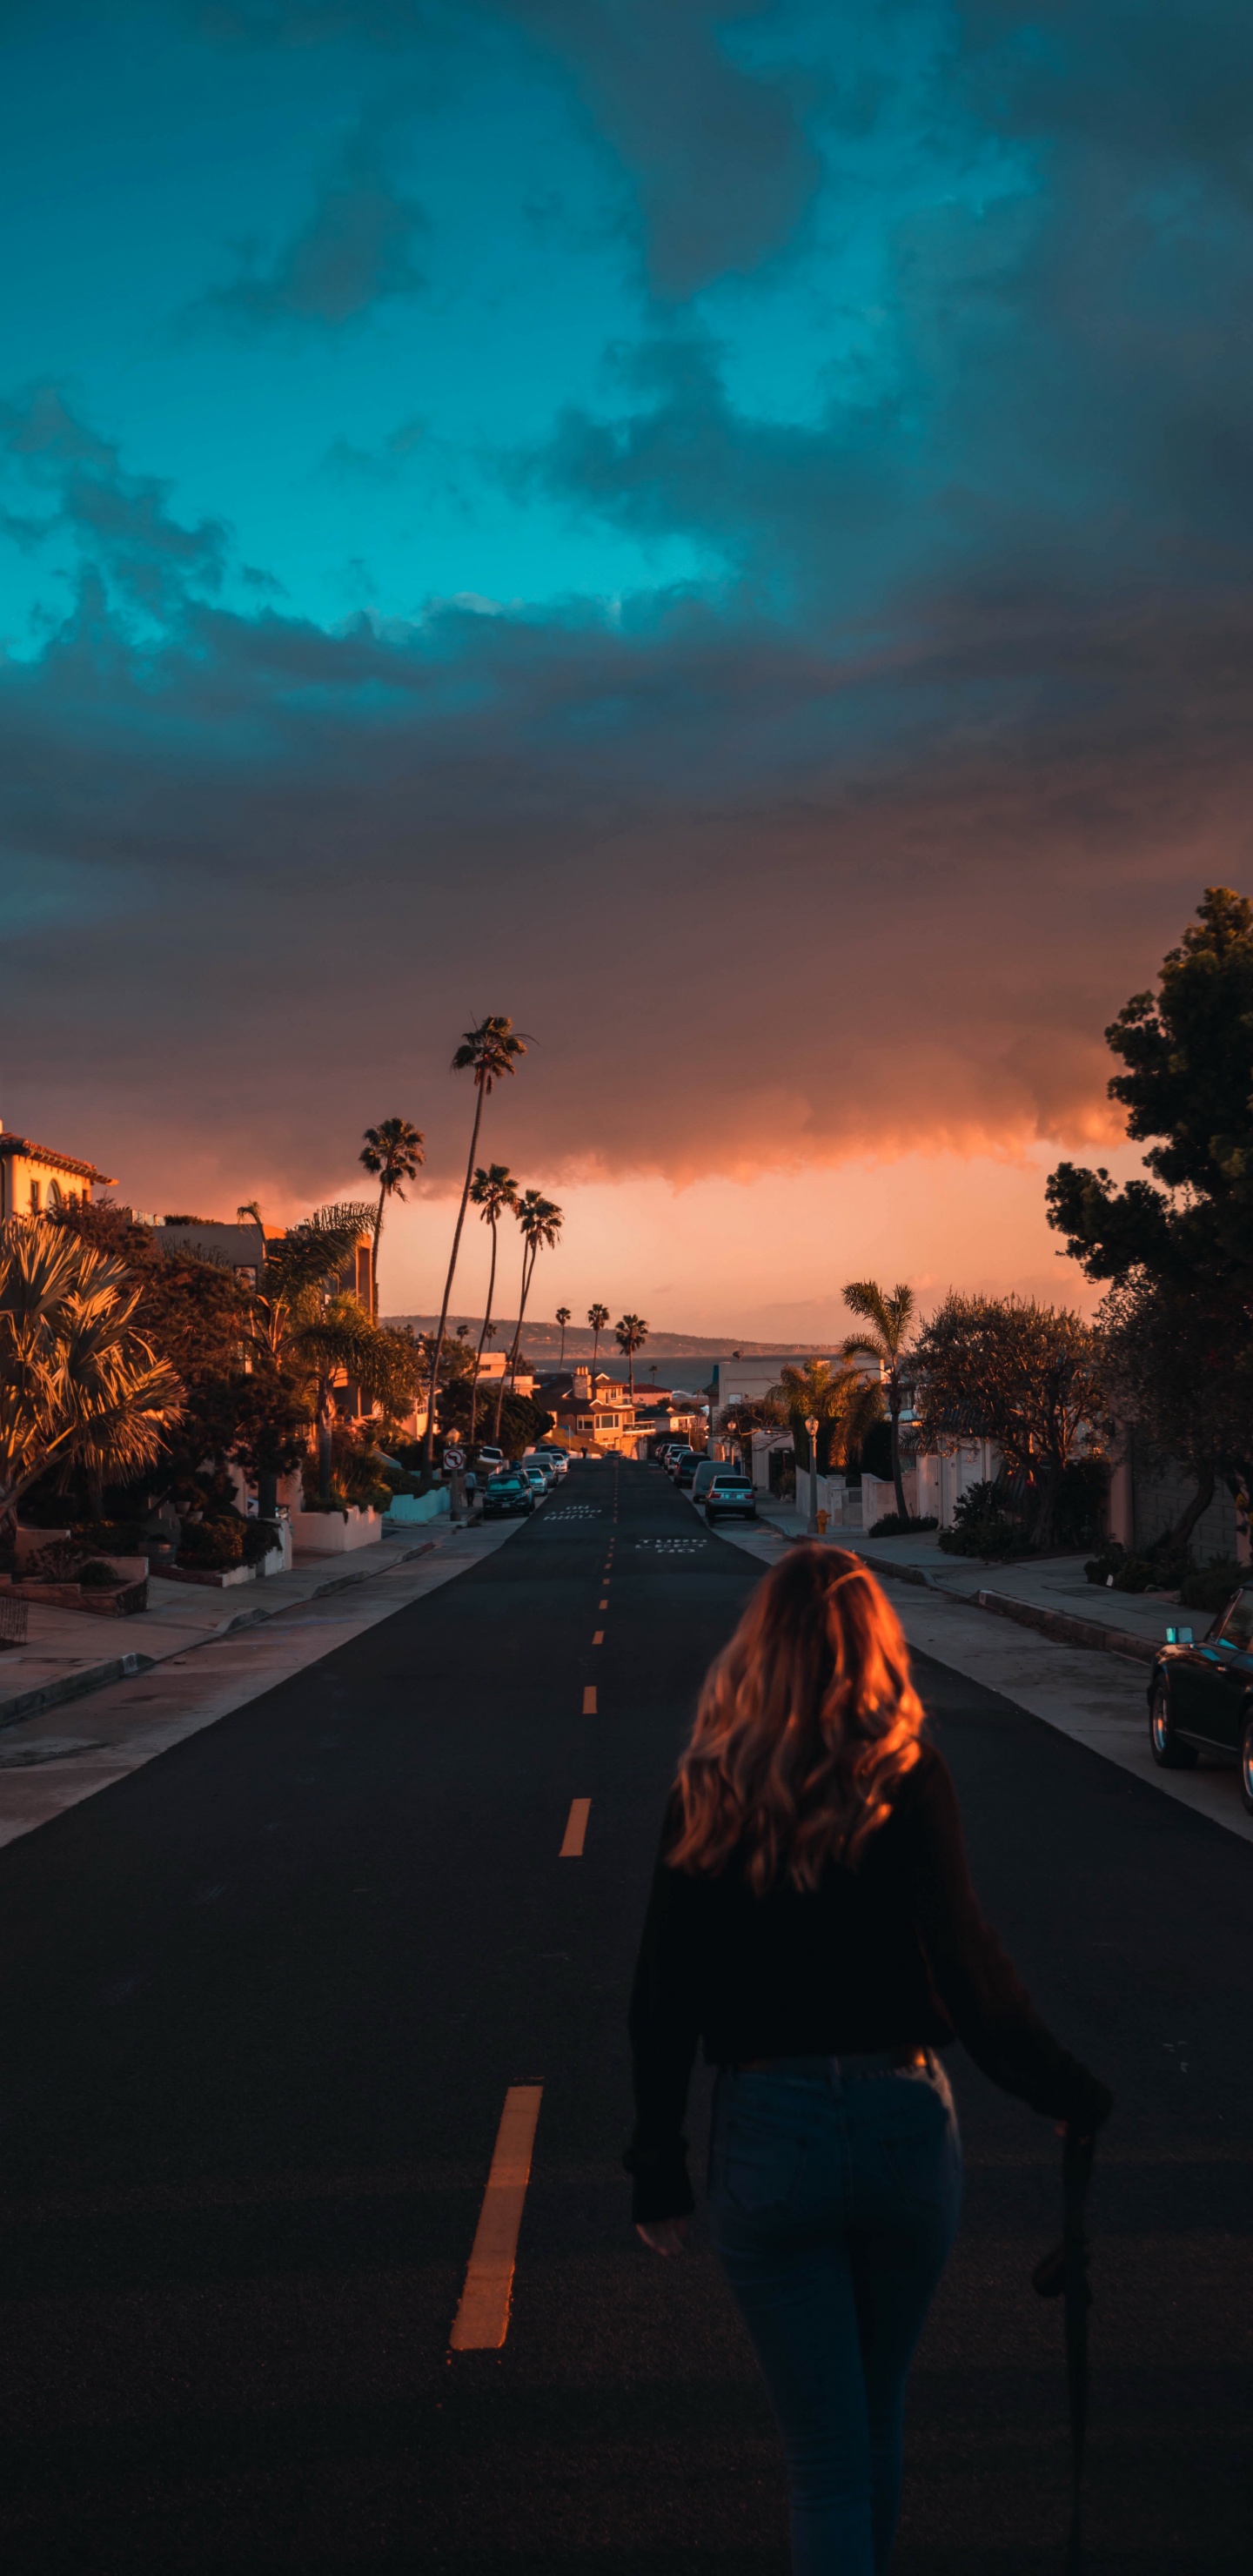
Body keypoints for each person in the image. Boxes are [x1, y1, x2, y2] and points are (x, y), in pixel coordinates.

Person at [626, 1545, 1112, 2575]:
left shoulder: (710, 1782)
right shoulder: (906, 1770)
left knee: (825, 2462)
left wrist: (659, 2165)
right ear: (875, 1644)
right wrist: (1062, 2090)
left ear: (762, 1647)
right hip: (902, 2125)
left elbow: (663, 1991)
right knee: (875, 2420)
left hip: (770, 2134)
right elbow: (970, 1963)